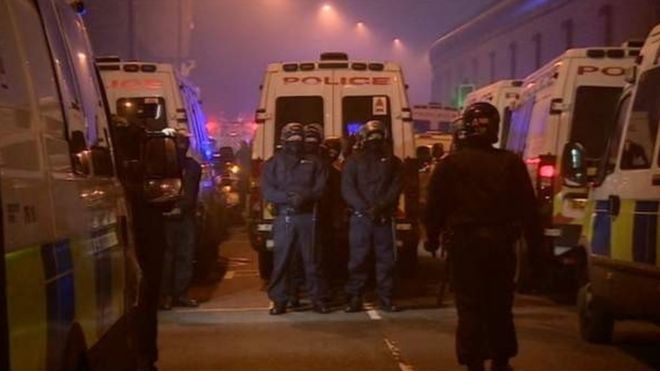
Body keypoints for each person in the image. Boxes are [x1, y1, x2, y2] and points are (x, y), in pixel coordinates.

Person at [424, 102, 542, 371]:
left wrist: (431, 236)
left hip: (465, 246)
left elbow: (435, 206)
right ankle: (501, 359)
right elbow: (528, 209)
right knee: (500, 304)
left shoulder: (450, 164)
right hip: (501, 244)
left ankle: (473, 360)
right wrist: (536, 249)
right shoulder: (511, 162)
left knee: (470, 305)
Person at [261, 122, 330, 315]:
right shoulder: (273, 163)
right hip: (285, 217)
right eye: (291, 139)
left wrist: (305, 197)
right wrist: (288, 198)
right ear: (283, 140)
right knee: (282, 261)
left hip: (309, 217)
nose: (296, 143)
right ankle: (280, 300)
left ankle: (318, 299)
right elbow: (268, 190)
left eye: (299, 139)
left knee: (312, 260)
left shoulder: (315, 162)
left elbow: (321, 188)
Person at [342, 120, 403, 313]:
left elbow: (396, 186)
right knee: (357, 259)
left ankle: (386, 298)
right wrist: (364, 208)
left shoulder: (393, 161)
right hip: (361, 218)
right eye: (371, 136)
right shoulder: (353, 161)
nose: (375, 140)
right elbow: (347, 188)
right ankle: (355, 297)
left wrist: (381, 206)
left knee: (386, 260)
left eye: (378, 136)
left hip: (382, 218)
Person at [160, 131, 201, 310]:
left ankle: (180, 294)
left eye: (184, 142)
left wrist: (182, 207)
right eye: (179, 142)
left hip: (185, 216)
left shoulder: (192, 166)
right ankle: (166, 295)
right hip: (167, 216)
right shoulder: (162, 164)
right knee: (167, 257)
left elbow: (191, 192)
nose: (182, 146)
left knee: (185, 255)